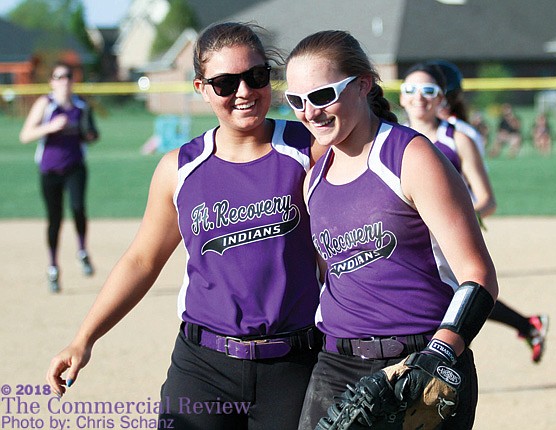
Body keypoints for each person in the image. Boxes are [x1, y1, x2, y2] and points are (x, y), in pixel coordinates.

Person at [46, 22, 324, 430]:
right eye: (226, 83)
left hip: (294, 365)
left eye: (256, 75)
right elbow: (142, 260)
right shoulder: (180, 169)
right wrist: (84, 338)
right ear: (201, 89)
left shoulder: (311, 150)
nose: (244, 92)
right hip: (203, 369)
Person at [285, 30, 499, 430]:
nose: (309, 112)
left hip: (423, 357)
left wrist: (438, 357)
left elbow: (479, 277)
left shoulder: (410, 157)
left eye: (321, 95)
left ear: (363, 83)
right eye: (296, 101)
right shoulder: (314, 176)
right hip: (337, 365)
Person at [426, 60, 549, 364]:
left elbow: (479, 190)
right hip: (423, 229)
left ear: (443, 94)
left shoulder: (459, 134)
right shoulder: (407, 132)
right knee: (455, 293)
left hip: (449, 229)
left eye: (429, 90)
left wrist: (455, 218)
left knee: (464, 291)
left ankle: (444, 360)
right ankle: (528, 324)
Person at [19, 62, 98, 293]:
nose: (64, 81)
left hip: (75, 167)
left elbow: (90, 133)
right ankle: (53, 267)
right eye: (59, 77)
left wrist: (90, 135)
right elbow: (25, 135)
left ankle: (82, 251)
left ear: (73, 81)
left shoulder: (81, 106)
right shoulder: (46, 104)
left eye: (68, 76)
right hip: (50, 170)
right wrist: (50, 127)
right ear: (52, 82)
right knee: (54, 219)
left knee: (77, 208)